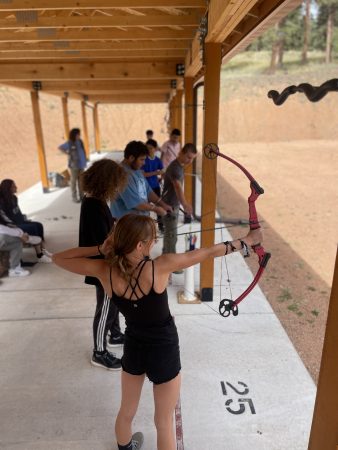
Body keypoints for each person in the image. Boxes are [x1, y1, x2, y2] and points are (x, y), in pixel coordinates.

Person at [52, 213, 263, 450]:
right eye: (151, 240)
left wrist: (100, 248)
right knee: (163, 422)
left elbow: (59, 258)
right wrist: (248, 240)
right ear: (140, 245)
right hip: (163, 347)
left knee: (126, 412)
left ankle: (126, 447)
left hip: (134, 344)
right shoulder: (159, 267)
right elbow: (207, 252)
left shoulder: (103, 269)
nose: (154, 243)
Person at [79, 159, 128, 371]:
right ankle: (99, 352)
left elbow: (106, 229)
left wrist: (117, 223)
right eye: (116, 183)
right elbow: (103, 242)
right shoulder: (93, 205)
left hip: (107, 264)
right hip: (103, 267)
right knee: (106, 307)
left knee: (113, 303)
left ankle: (115, 334)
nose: (118, 188)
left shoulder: (97, 202)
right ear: (106, 182)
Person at [110, 141, 172, 219]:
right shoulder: (122, 174)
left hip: (139, 221)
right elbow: (135, 203)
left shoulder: (136, 170)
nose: (144, 163)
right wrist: (155, 209)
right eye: (142, 159)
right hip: (126, 224)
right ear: (131, 158)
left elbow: (148, 191)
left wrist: (163, 205)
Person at [0, 179, 52, 262]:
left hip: (20, 222)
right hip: (12, 225)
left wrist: (25, 220)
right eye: (13, 186)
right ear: (7, 189)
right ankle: (40, 256)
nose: (16, 187)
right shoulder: (2, 202)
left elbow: (18, 212)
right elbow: (4, 218)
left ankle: (43, 251)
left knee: (39, 225)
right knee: (33, 228)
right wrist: (12, 225)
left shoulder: (14, 198)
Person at [162, 143, 197, 258]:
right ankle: (170, 264)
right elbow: (177, 186)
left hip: (172, 204)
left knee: (169, 234)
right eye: (188, 157)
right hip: (169, 205)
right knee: (172, 236)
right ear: (181, 152)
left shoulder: (178, 166)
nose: (190, 161)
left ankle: (165, 256)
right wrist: (185, 205)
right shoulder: (175, 168)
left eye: (192, 158)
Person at [58, 128, 87, 203]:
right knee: (73, 182)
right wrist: (68, 153)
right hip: (74, 166)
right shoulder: (69, 143)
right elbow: (60, 147)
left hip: (81, 165)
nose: (79, 135)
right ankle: (74, 197)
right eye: (78, 134)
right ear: (74, 135)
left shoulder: (80, 141)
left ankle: (82, 196)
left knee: (81, 181)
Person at [142, 139, 164, 232]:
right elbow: (143, 174)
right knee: (145, 208)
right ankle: (146, 228)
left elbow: (162, 171)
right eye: (147, 148)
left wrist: (161, 177)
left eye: (150, 148)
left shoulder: (158, 160)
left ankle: (161, 226)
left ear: (155, 149)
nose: (148, 150)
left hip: (155, 187)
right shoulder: (144, 160)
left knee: (159, 207)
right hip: (145, 188)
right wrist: (156, 173)